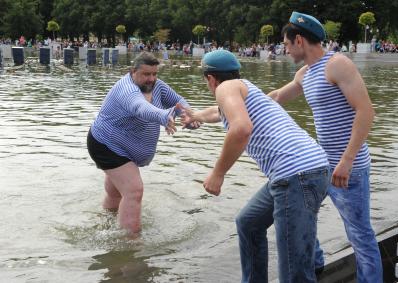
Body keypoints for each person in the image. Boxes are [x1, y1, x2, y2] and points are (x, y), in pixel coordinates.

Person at [180, 50, 330, 282]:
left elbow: (241, 129)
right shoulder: (244, 88)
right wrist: (194, 116)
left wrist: (217, 174)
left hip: (296, 175)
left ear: (210, 78)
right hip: (308, 168)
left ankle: (309, 269)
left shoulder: (224, 89)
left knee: (293, 270)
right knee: (249, 223)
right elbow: (217, 113)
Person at [268, 12, 382, 283]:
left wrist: (347, 160)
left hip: (348, 167)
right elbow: (275, 98)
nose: (284, 50)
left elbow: (366, 111)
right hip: (319, 166)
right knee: (301, 216)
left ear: (299, 40)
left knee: (359, 234)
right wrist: (228, 108)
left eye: (286, 44)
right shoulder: (305, 73)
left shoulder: (337, 64)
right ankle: (316, 265)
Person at [87, 52, 197, 234]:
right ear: (133, 71)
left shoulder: (157, 86)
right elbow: (140, 107)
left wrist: (190, 115)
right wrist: (164, 115)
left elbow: (178, 102)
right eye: (146, 74)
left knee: (116, 193)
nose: (151, 79)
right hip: (107, 145)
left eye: (154, 74)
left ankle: (105, 227)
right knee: (134, 190)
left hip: (123, 147)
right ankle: (131, 246)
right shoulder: (127, 89)